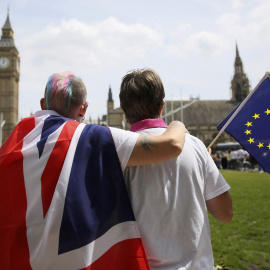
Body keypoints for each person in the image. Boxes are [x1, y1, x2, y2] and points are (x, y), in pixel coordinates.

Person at [0, 71, 187, 270]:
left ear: (42, 104)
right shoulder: (91, 137)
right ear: (84, 108)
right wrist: (177, 124)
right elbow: (172, 144)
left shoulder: (13, 142)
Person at [119, 68, 233, 270]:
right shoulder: (195, 146)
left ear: (124, 110)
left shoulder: (115, 152)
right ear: (162, 106)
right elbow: (225, 213)